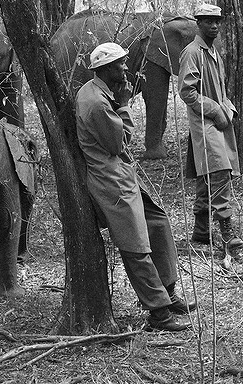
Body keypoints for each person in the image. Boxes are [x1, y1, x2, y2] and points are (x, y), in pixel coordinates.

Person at [75, 42, 194, 331]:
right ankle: (159, 313)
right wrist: (126, 103)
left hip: (123, 174)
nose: (126, 68)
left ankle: (167, 291)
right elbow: (118, 143)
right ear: (105, 69)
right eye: (121, 64)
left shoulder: (100, 93)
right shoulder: (96, 103)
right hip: (111, 181)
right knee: (136, 247)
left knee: (158, 221)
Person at [177, 2, 243, 260]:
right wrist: (215, 110)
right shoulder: (192, 52)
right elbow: (187, 91)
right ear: (198, 23)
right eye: (208, 21)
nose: (214, 25)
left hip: (218, 121)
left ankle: (202, 231)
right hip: (205, 123)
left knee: (209, 174)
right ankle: (228, 235)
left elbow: (221, 88)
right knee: (219, 173)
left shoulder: (214, 52)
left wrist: (228, 108)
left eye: (217, 21)